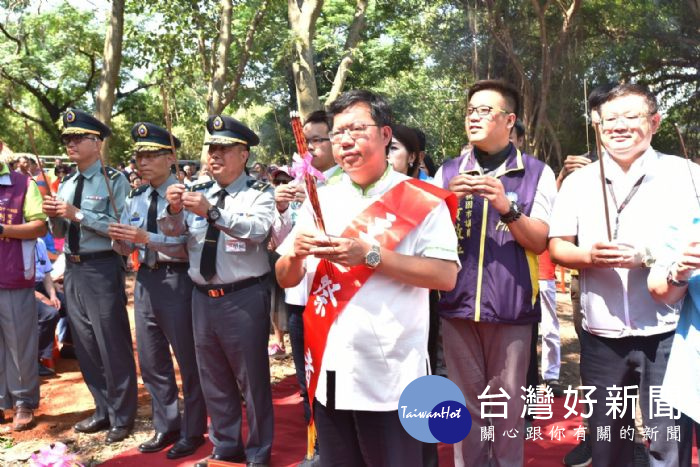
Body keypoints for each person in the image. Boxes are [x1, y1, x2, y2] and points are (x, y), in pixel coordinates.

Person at [276, 90, 459, 467]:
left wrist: (370, 255)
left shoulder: (421, 200)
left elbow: (445, 277)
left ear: (385, 134)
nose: (345, 140)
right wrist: (295, 253)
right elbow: (285, 278)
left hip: (392, 373)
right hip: (330, 372)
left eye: (357, 129)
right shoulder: (320, 198)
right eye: (337, 132)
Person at [548, 83, 691, 466]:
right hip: (601, 334)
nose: (620, 126)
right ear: (598, 125)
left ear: (655, 122)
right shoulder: (580, 182)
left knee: (668, 439)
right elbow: (558, 245)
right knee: (608, 439)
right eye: (610, 119)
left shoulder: (686, 176)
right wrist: (588, 256)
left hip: (668, 332)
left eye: (632, 117)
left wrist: (646, 258)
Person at [435, 79, 557, 467]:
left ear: (510, 120)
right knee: (465, 409)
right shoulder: (449, 171)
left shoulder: (536, 173)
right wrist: (445, 201)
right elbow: (429, 237)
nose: (474, 116)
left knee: (506, 409)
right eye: (470, 109)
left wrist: (508, 207)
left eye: (485, 110)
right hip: (456, 307)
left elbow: (540, 241)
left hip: (511, 308)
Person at [161, 114, 275, 467]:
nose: (214, 155)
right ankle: (226, 445)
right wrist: (174, 209)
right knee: (213, 377)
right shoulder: (200, 191)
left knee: (251, 380)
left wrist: (213, 213)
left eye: (224, 149)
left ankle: (258, 452)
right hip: (201, 297)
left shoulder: (260, 192)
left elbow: (256, 231)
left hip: (244, 296)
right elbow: (175, 237)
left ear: (244, 154)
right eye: (211, 148)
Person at [108, 122, 207, 458]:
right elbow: (126, 244)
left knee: (188, 360)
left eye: (151, 155)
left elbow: (187, 245)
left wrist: (147, 238)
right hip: (146, 279)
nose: (143, 162)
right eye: (139, 156)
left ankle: (194, 429)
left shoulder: (188, 195)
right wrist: (121, 242)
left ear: (170, 158)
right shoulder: (136, 196)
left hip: (177, 280)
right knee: (151, 360)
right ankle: (167, 425)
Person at [42, 108, 137, 443]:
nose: (70, 143)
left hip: (102, 266)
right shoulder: (66, 182)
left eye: (78, 138)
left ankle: (123, 416)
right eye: (67, 138)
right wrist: (54, 216)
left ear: (96, 144)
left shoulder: (114, 181)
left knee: (112, 342)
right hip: (75, 269)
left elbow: (120, 226)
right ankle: (103, 409)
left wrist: (77, 213)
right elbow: (59, 228)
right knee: (84, 344)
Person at [272, 109, 340, 466]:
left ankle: (335, 452)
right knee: (306, 381)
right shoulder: (299, 181)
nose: (309, 148)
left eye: (317, 139)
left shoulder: (345, 185)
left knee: (336, 386)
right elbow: (278, 244)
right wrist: (283, 206)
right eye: (306, 140)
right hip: (299, 297)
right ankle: (315, 450)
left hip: (333, 300)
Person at [0, 145, 47, 431]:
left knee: (20, 342)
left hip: (12, 274)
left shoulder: (22, 184)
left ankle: (23, 402)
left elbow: (40, 226)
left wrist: (3, 230)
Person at [34, 237, 61, 377]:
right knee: (49, 313)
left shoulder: (40, 242)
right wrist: (43, 298)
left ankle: (69, 345)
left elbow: (46, 274)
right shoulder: (14, 244)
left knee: (72, 304)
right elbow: (17, 282)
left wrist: (52, 295)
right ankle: (35, 360)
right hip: (22, 290)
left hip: (41, 285)